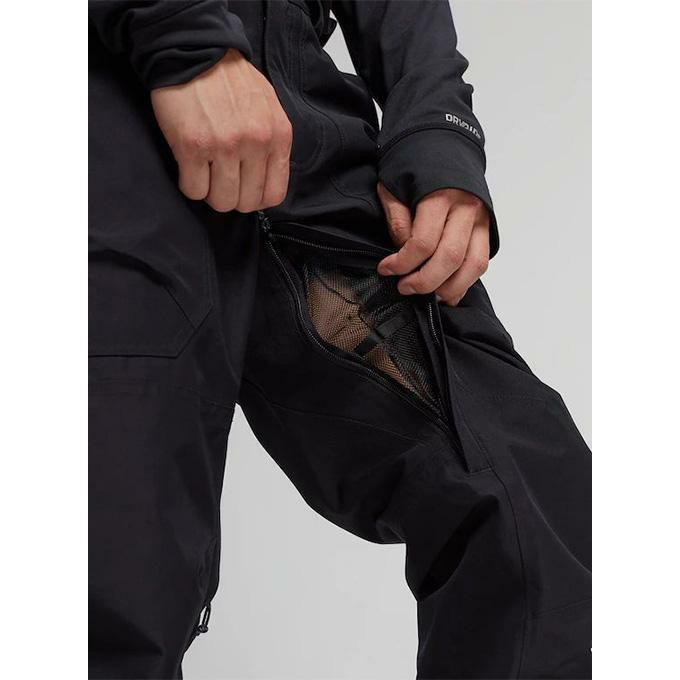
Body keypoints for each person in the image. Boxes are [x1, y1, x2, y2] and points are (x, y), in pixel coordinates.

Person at [88, 1, 592, 678]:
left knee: (537, 520)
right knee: (106, 577)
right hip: (103, 91)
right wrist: (182, 33)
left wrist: (435, 125)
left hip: (304, 132)